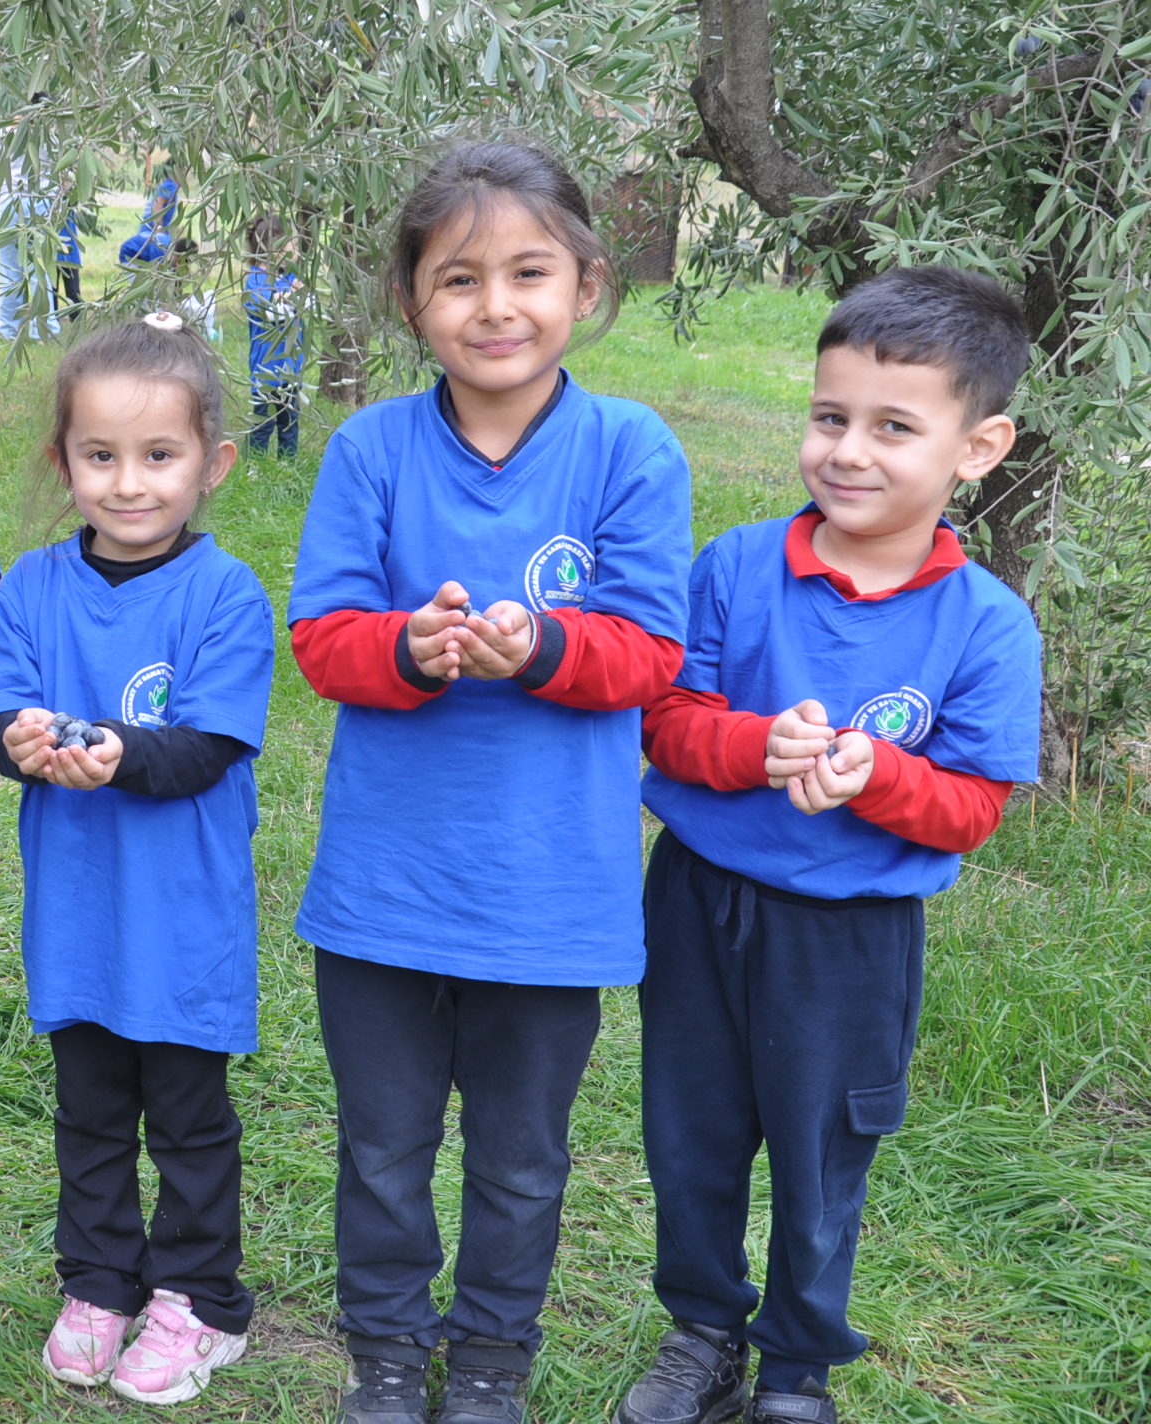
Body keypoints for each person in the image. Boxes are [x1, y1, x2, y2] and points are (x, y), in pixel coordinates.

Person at [286, 139, 693, 1424]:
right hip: (382, 891)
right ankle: (389, 1359)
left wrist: (543, 647)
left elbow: (646, 649)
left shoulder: (630, 449)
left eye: (527, 271)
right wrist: (409, 643)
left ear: (583, 283)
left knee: (519, 1162)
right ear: (412, 303)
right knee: (381, 1150)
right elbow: (322, 636)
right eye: (457, 278)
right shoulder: (370, 450)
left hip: (549, 897)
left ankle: (491, 1367)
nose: (494, 304)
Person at [617, 266, 1040, 1424]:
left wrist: (878, 775)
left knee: (818, 1158)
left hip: (850, 938)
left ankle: (796, 1360)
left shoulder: (986, 625)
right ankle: (700, 1326)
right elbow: (663, 720)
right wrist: (754, 746)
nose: (847, 450)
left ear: (977, 443)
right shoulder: (733, 568)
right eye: (828, 415)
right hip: (698, 904)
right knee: (689, 1134)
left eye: (892, 426)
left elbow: (970, 806)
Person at [0, 312, 274, 1405]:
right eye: (99, 455)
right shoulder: (34, 586)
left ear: (211, 464)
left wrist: (107, 747)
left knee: (188, 1118)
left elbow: (201, 746)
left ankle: (200, 1295)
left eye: (158, 456)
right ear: (63, 459)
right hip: (78, 922)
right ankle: (98, 1278)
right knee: (88, 1110)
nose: (127, 482)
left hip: (182, 924)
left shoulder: (225, 593)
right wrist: (18, 739)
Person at [243, 215, 305, 458]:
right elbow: (272, 314)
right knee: (262, 423)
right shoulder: (255, 281)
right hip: (265, 369)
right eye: (292, 245)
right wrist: (292, 296)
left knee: (289, 424)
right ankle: (254, 468)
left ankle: (286, 466)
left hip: (291, 368)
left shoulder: (288, 278)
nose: (296, 251)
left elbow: (307, 304)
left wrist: (289, 296)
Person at [0, 152, 62, 342]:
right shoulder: (50, 130)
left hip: (10, 201)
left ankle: (6, 328)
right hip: (42, 200)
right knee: (40, 269)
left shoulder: (4, 134)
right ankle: (44, 329)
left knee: (9, 270)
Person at [118, 164, 180, 266]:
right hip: (154, 231)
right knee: (156, 262)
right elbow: (158, 205)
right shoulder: (170, 185)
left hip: (147, 230)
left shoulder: (164, 184)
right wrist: (159, 228)